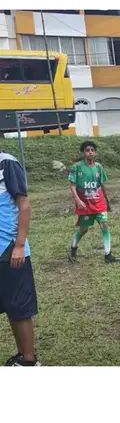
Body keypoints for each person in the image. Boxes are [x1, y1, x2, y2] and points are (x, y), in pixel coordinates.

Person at [0, 152, 40, 366]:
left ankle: (28, 361)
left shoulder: (6, 163)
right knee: (9, 306)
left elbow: (24, 205)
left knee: (18, 309)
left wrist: (19, 245)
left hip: (8, 250)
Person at [67, 141, 120, 263]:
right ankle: (73, 247)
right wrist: (78, 200)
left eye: (92, 150)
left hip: (99, 203)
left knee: (104, 225)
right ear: (83, 153)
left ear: (95, 152)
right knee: (83, 230)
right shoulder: (76, 167)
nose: (90, 152)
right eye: (87, 150)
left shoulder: (99, 167)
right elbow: (72, 186)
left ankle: (108, 255)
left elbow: (102, 185)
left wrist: (107, 202)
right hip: (85, 205)